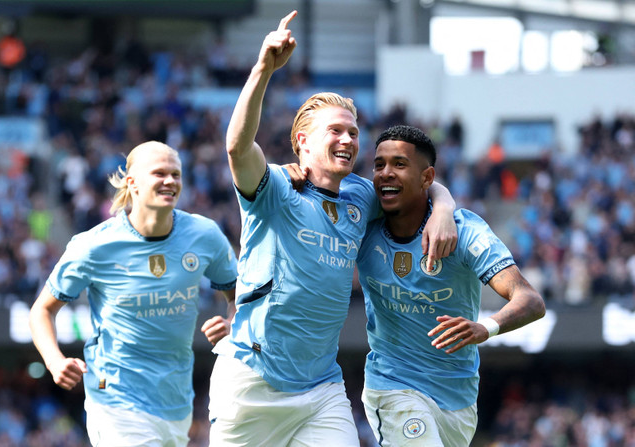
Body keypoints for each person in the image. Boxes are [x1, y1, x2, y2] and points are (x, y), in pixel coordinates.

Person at [208, 10, 457, 446]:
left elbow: (421, 186)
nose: (348, 140)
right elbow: (236, 147)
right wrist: (264, 69)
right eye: (336, 130)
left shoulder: (363, 195)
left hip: (321, 388)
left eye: (354, 132)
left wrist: (444, 207)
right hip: (252, 381)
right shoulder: (275, 187)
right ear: (302, 140)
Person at [29, 141, 238, 446]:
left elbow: (239, 297)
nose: (170, 181)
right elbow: (42, 311)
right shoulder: (94, 245)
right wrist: (54, 360)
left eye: (176, 174)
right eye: (159, 173)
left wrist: (234, 322)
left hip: (176, 403)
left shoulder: (204, 236)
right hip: (114, 399)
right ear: (132, 183)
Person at [356, 125, 546, 446]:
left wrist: (485, 327)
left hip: (458, 398)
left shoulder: (465, 232)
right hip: (392, 384)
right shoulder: (361, 217)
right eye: (379, 164)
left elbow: (529, 299)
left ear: (427, 178)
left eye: (399, 165)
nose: (385, 173)